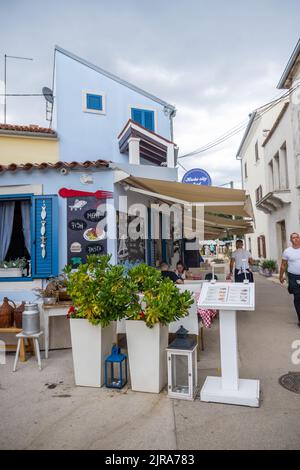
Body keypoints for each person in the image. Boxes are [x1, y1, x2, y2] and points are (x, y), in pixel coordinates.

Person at [279, 232, 300, 327]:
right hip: (293, 276)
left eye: (297, 237)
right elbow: (283, 265)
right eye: (293, 238)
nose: (296, 239)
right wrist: (281, 276)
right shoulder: (287, 251)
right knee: (297, 297)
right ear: (291, 240)